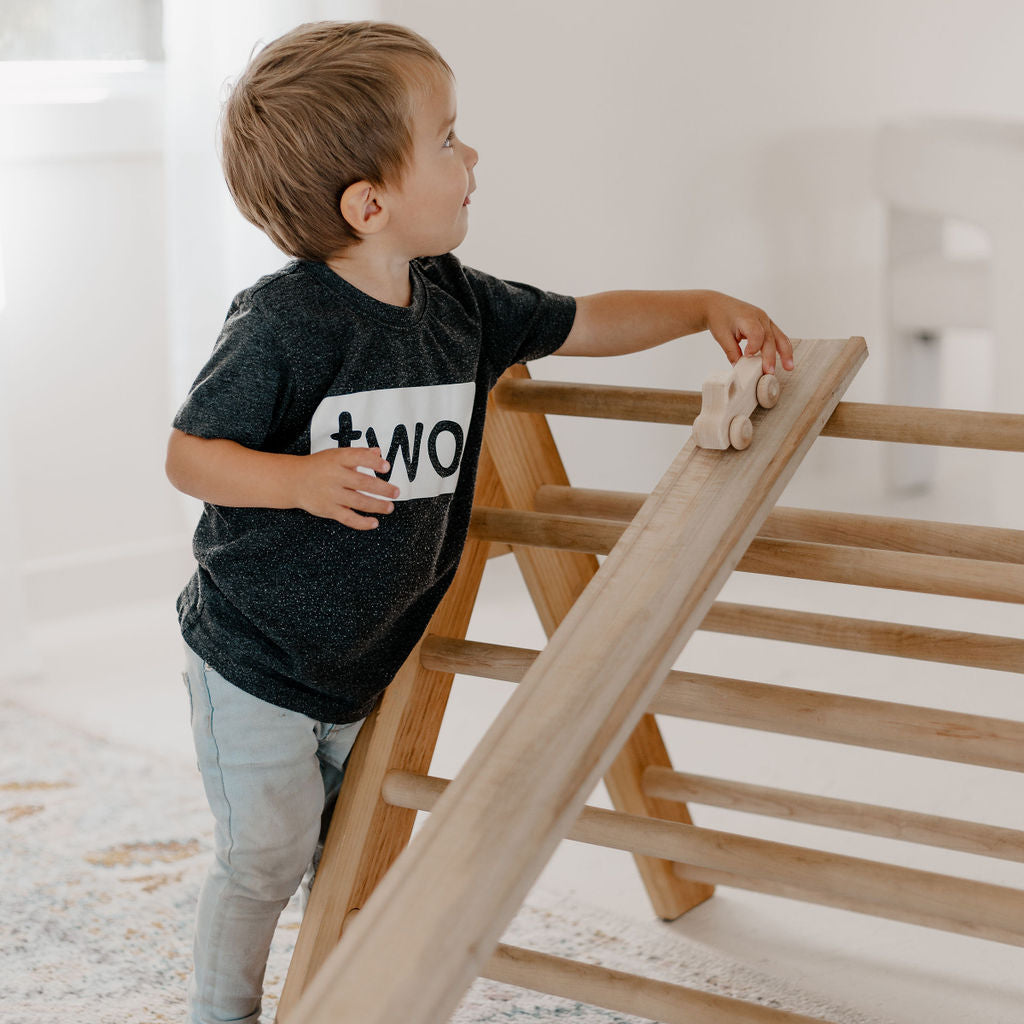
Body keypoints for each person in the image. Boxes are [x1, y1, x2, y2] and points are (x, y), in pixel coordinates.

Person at [165, 19, 793, 1024]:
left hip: (368, 658)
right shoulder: (284, 321)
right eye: (447, 140)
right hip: (257, 658)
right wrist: (301, 481)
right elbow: (189, 454)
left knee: (353, 849)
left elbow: (585, 320)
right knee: (266, 853)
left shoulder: (458, 304)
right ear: (369, 203)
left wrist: (696, 305)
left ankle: (336, 988)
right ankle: (220, 1009)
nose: (473, 157)